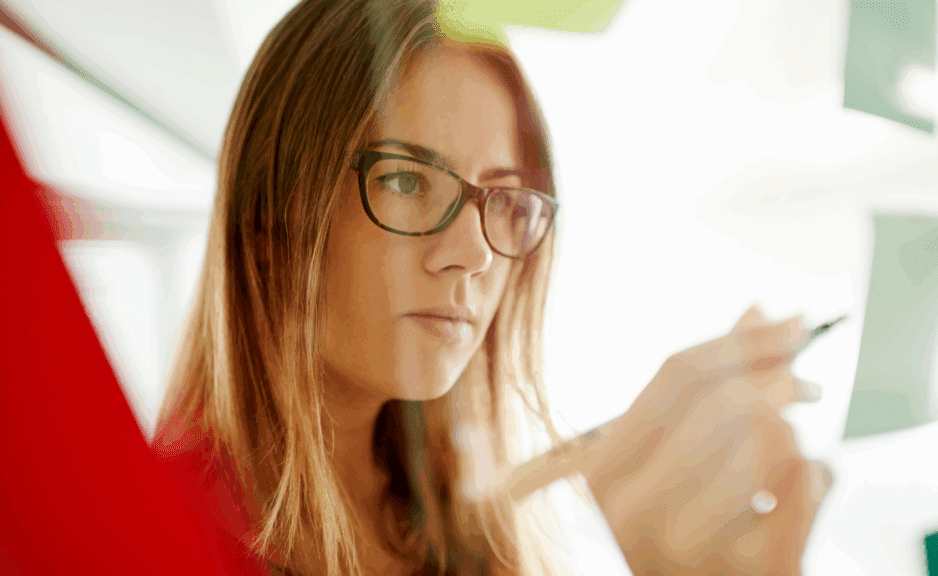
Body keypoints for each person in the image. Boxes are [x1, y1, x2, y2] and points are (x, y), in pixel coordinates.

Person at [152, 0, 830, 575]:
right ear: (274, 218)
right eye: (405, 181)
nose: (474, 253)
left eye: (506, 201)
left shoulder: (471, 528)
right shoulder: (147, 533)